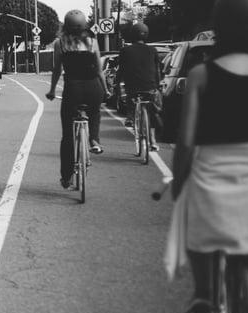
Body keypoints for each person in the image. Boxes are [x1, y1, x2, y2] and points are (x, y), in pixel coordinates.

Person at [167, 0, 248, 313]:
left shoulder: (201, 75)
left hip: (214, 176)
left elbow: (186, 141)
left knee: (190, 217)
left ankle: (205, 295)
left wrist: (178, 183)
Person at [46, 9, 109, 189]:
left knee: (67, 136)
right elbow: (99, 70)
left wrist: (51, 91)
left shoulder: (60, 43)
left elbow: (57, 70)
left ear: (66, 25)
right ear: (84, 25)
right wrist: (106, 90)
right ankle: (94, 140)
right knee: (94, 112)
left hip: (73, 89)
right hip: (93, 87)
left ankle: (66, 177)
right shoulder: (92, 42)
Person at [116, 22, 162, 151]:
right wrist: (157, 86)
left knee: (131, 98)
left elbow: (121, 70)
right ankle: (153, 141)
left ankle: (130, 116)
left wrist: (117, 85)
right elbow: (157, 71)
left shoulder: (125, 50)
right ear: (146, 35)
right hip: (150, 87)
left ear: (132, 35)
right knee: (152, 112)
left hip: (132, 87)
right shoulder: (153, 50)